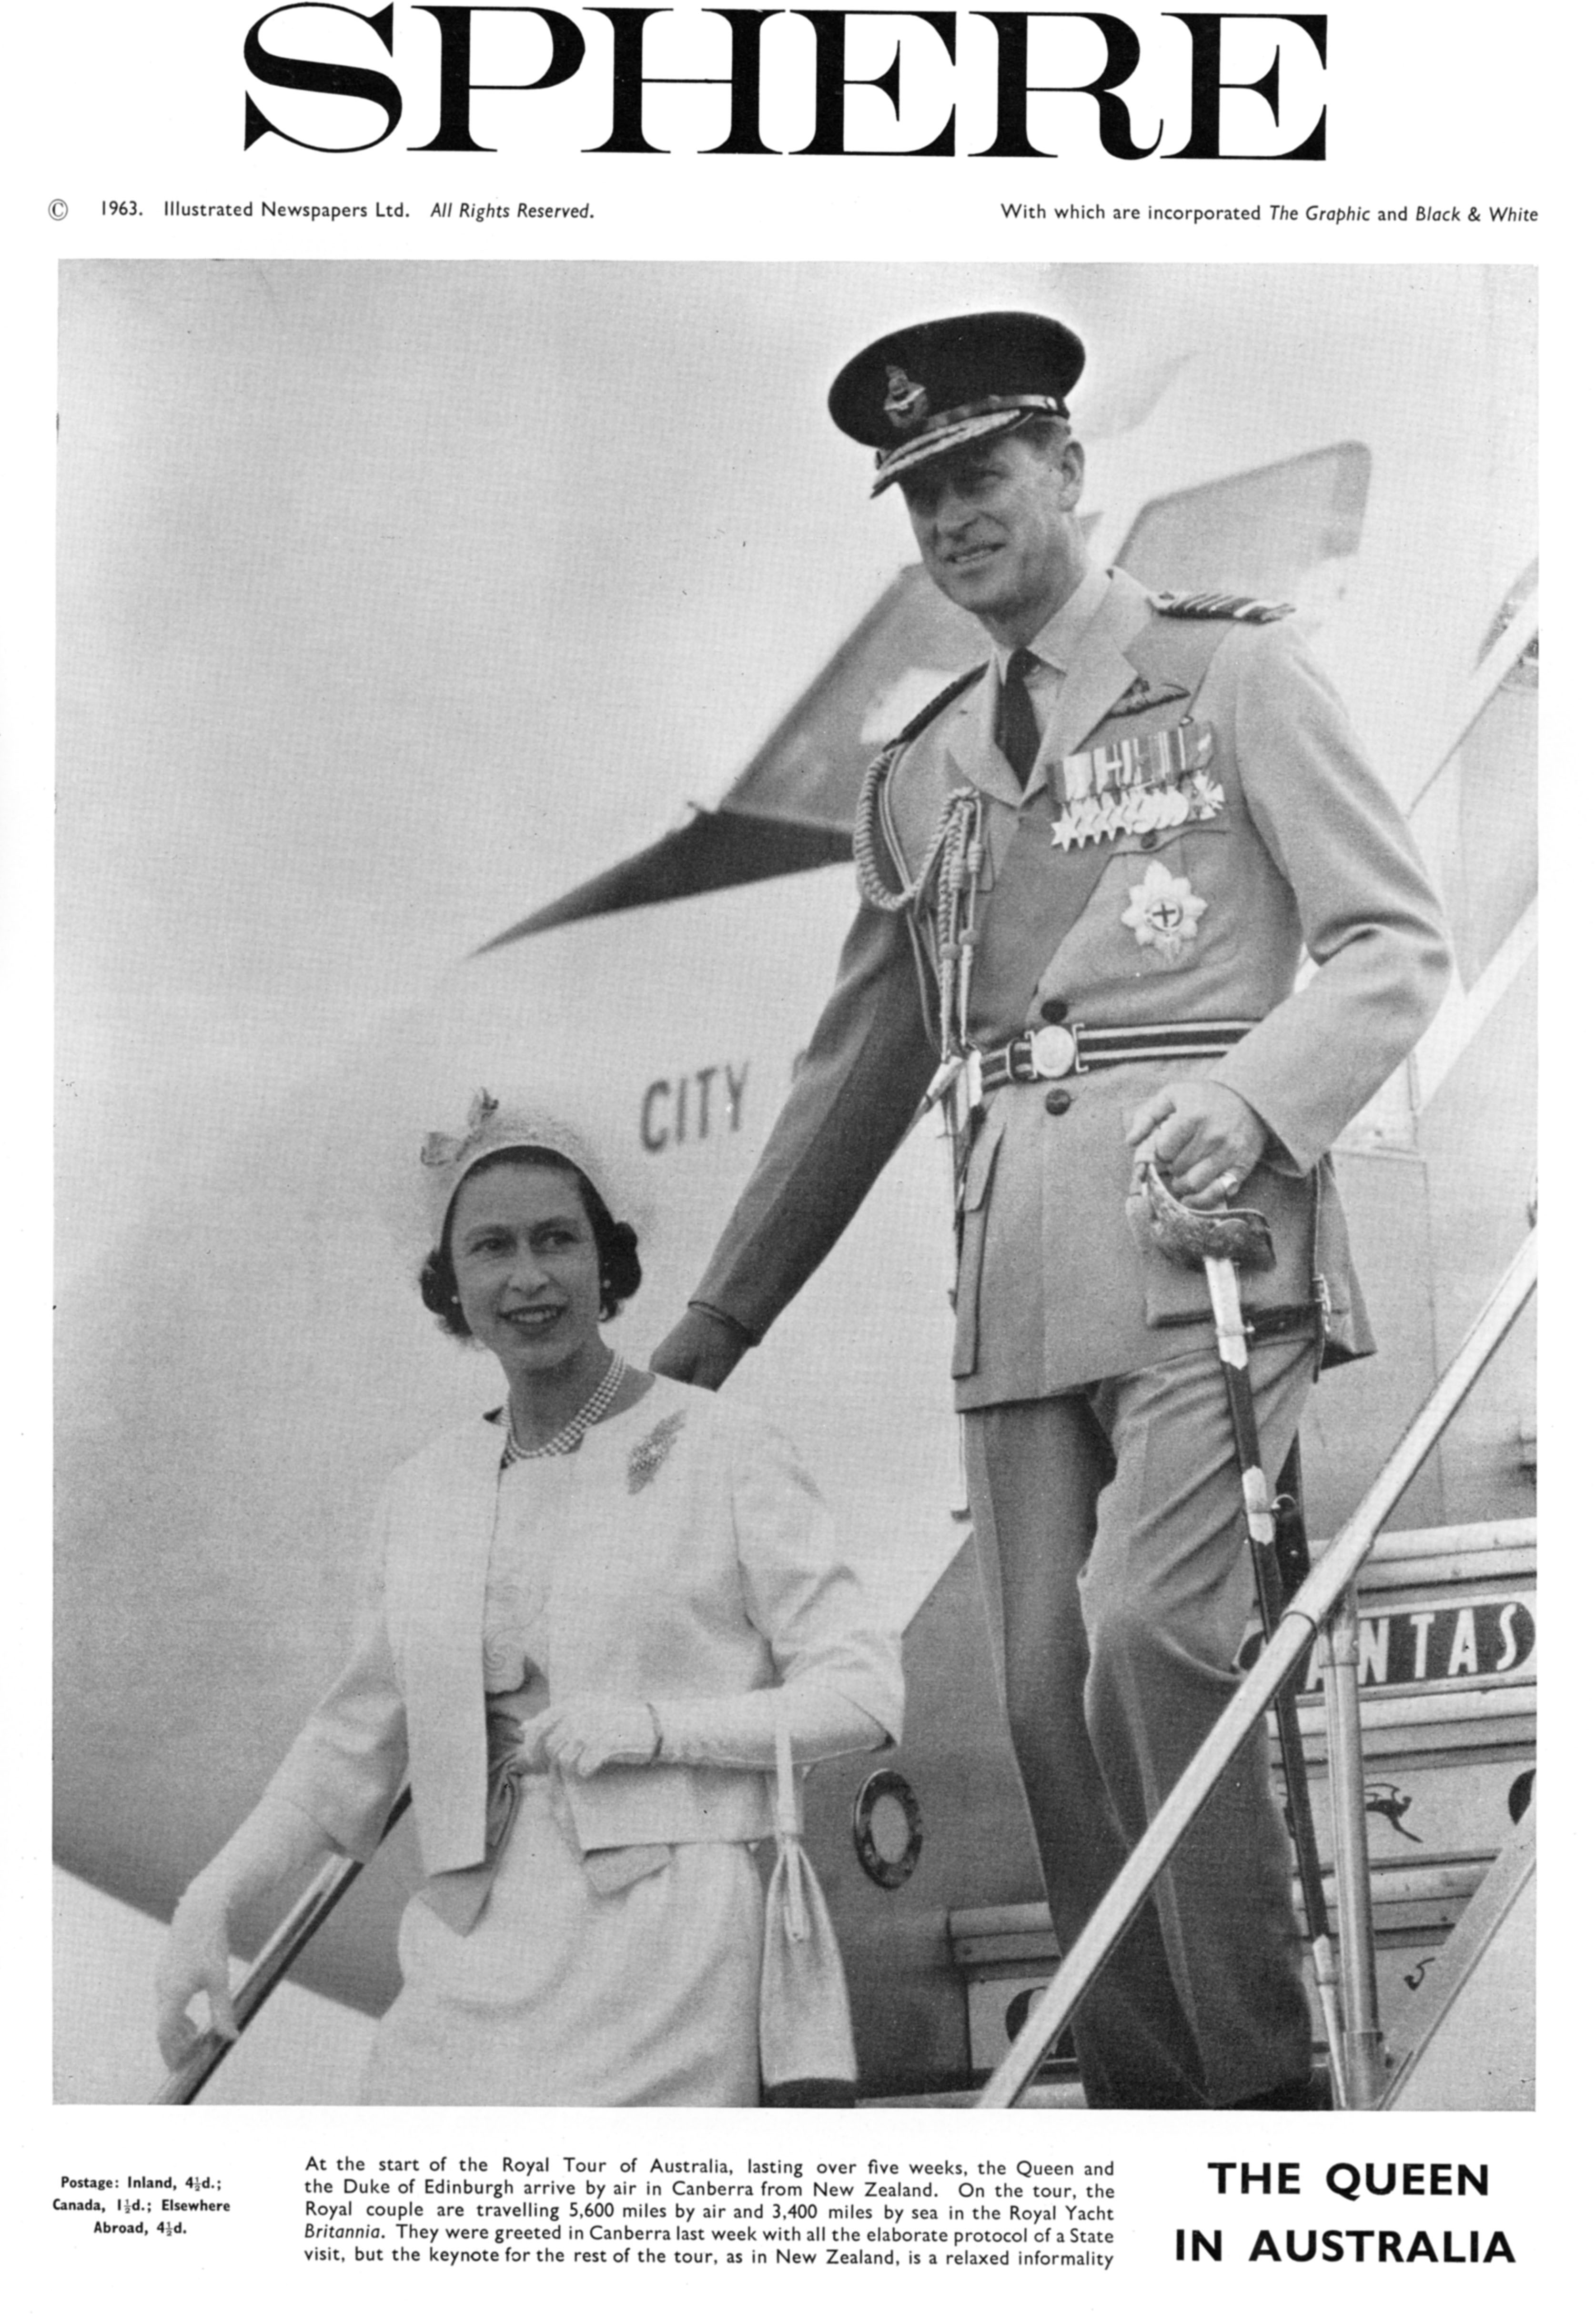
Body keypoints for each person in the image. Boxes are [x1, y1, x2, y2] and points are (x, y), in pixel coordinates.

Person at [653, 311, 1452, 2110]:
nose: (952, 516)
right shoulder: (919, 765)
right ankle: (1155, 2109)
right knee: (1031, 1703)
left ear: (1070, 472)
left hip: (1205, 1245)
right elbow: (860, 1068)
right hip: (1013, 1266)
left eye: (981, 474)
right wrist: (714, 1325)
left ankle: (1258, 2086)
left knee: (1151, 1640)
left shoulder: (1235, 674)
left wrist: (1250, 1101)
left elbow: (1395, 944)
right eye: (921, 492)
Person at [156, 1090, 901, 2105]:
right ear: (452, 1287)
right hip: (469, 1950)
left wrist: (650, 1729)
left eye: (557, 1241)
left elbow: (862, 1697)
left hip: (671, 1945)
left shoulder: (722, 1449)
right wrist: (211, 1903)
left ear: (607, 1264)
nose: (528, 1277)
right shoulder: (424, 1490)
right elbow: (349, 1750)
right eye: (491, 1250)